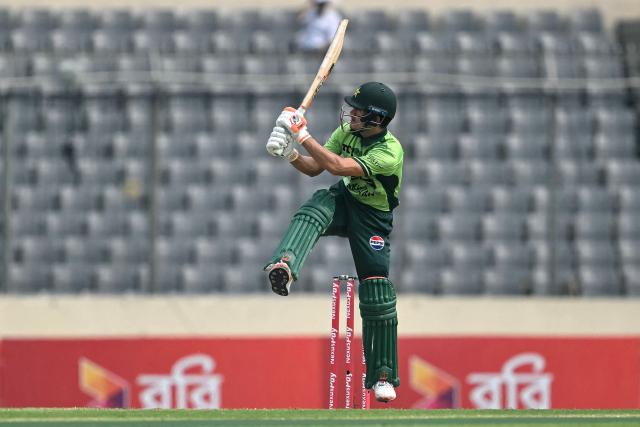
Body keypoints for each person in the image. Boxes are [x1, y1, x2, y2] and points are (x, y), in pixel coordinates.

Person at [264, 82, 403, 403]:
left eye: (359, 110)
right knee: (315, 206)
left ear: (377, 118)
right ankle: (285, 264)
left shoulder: (389, 152)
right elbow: (316, 168)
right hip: (346, 199)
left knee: (377, 291)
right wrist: (290, 154)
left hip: (373, 217)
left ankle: (383, 375)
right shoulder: (347, 132)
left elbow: (339, 166)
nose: (352, 113)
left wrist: (301, 135)